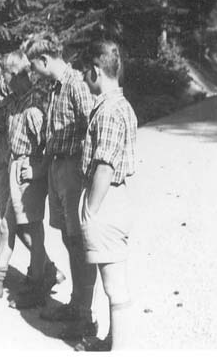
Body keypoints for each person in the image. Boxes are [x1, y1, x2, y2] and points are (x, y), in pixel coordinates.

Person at [0, 51, 59, 308]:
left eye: (5, 75)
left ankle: (37, 282)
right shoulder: (14, 100)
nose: (3, 80)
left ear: (15, 75)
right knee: (9, 227)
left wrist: (37, 170)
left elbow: (48, 143)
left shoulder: (33, 106)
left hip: (28, 171)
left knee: (32, 229)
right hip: (15, 167)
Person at [21, 32, 97, 339]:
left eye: (33, 65)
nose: (32, 71)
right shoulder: (54, 87)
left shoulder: (76, 84)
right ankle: (76, 304)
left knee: (79, 241)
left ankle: (84, 315)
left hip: (73, 168)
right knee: (68, 238)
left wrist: (84, 172)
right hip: (57, 167)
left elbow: (92, 127)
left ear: (44, 59)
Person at [76, 38, 138, 351]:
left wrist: (90, 209)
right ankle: (114, 342)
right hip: (115, 199)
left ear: (95, 71)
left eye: (85, 72)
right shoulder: (119, 105)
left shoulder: (109, 111)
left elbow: (104, 166)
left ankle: (121, 350)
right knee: (113, 281)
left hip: (106, 201)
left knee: (114, 285)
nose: (84, 78)